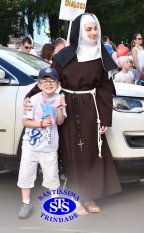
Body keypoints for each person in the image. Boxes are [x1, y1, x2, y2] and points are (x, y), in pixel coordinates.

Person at [24, 13, 122, 215]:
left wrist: (105, 118)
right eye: (88, 29)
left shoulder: (100, 54)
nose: (93, 32)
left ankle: (90, 196)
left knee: (92, 153)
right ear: (79, 31)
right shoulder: (64, 56)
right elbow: (49, 79)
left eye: (95, 28)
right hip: (66, 106)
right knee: (72, 153)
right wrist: (29, 95)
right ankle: (76, 196)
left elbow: (104, 88)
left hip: (90, 106)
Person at [17, 67, 67, 219]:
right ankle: (26, 203)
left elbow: (59, 122)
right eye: (45, 81)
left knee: (52, 176)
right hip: (30, 146)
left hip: (49, 147)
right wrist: (40, 124)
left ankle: (54, 203)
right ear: (39, 85)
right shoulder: (32, 100)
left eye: (52, 81)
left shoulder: (60, 99)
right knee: (26, 174)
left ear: (58, 84)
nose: (48, 84)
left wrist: (59, 109)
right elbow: (25, 122)